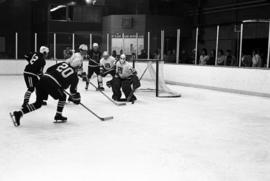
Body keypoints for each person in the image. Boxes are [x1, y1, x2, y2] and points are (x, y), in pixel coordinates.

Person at [10, 61, 81, 127]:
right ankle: (58, 115)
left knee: (38, 103)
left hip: (43, 79)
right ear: (77, 67)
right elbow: (73, 92)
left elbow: (49, 69)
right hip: (52, 84)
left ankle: (18, 113)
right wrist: (77, 99)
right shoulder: (75, 76)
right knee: (63, 97)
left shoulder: (63, 63)